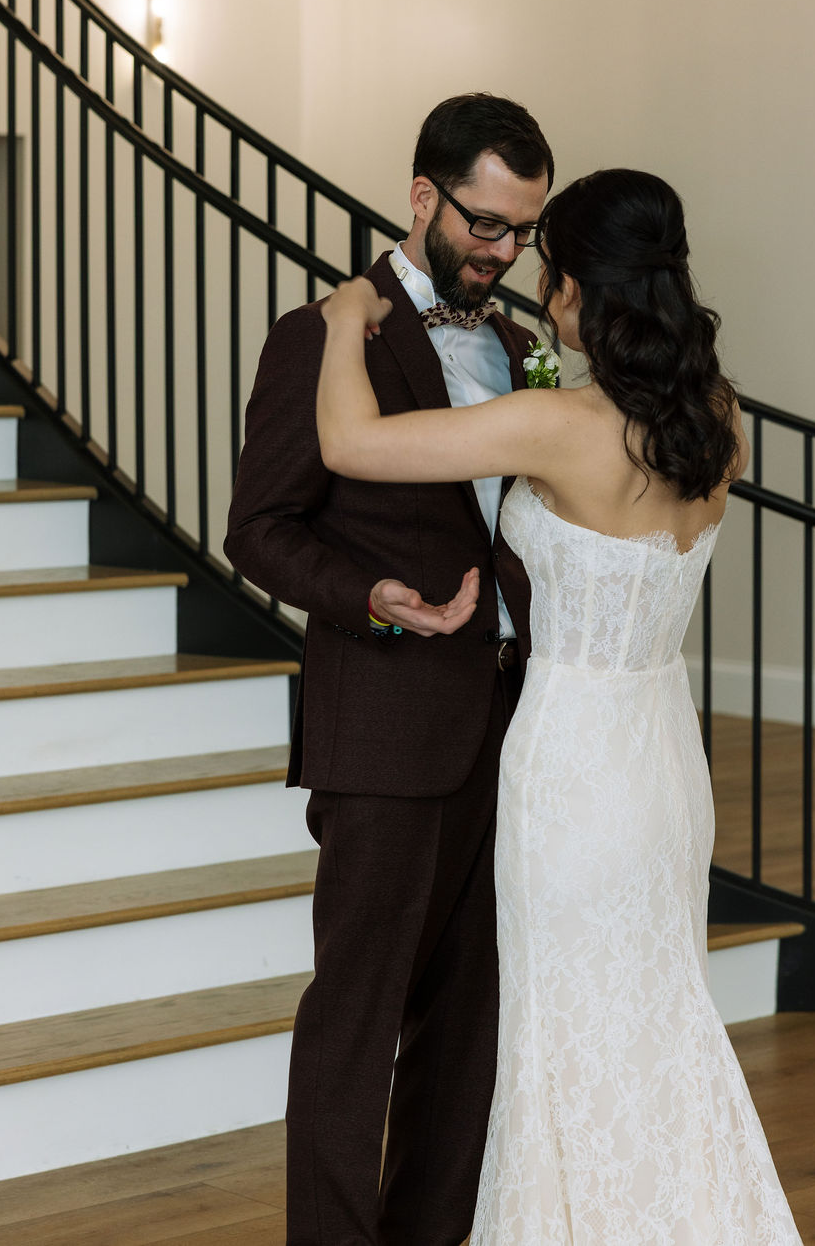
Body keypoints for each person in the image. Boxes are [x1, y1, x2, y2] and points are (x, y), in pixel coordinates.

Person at [316, 168, 804, 1244]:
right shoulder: (718, 419)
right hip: (665, 762)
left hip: (574, 769)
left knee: (561, 1034)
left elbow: (350, 445)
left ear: (574, 285)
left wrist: (348, 316)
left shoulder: (557, 423)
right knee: (657, 1020)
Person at [224, 93, 553, 1245]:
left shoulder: (520, 349)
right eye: (484, 224)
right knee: (357, 1019)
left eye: (522, 231)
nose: (503, 253)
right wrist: (368, 597)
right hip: (383, 722)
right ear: (423, 198)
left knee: (468, 1023)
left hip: (511, 727)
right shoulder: (323, 335)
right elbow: (259, 528)